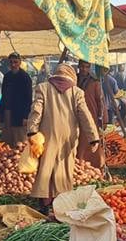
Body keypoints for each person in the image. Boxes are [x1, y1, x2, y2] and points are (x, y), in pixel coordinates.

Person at [27, 64, 100, 209]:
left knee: (46, 165)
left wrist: (32, 130)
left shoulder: (43, 88)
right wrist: (93, 137)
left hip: (47, 134)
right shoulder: (77, 91)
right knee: (64, 166)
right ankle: (61, 200)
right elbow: (85, 115)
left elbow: (37, 110)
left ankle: (45, 201)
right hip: (69, 135)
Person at [0, 52, 33, 148]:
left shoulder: (25, 78)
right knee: (7, 141)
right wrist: (0, 113)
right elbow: (3, 95)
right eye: (11, 62)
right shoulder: (7, 76)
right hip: (7, 112)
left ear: (19, 62)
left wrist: (26, 116)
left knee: (20, 142)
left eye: (15, 62)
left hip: (20, 114)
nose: (13, 64)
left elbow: (28, 98)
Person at [76, 60, 105, 168]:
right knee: (77, 143)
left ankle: (93, 166)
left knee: (90, 141)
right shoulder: (74, 80)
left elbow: (100, 101)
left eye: (87, 67)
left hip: (91, 116)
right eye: (82, 67)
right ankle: (78, 166)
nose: (84, 69)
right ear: (79, 67)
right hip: (75, 117)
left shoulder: (95, 82)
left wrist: (103, 118)